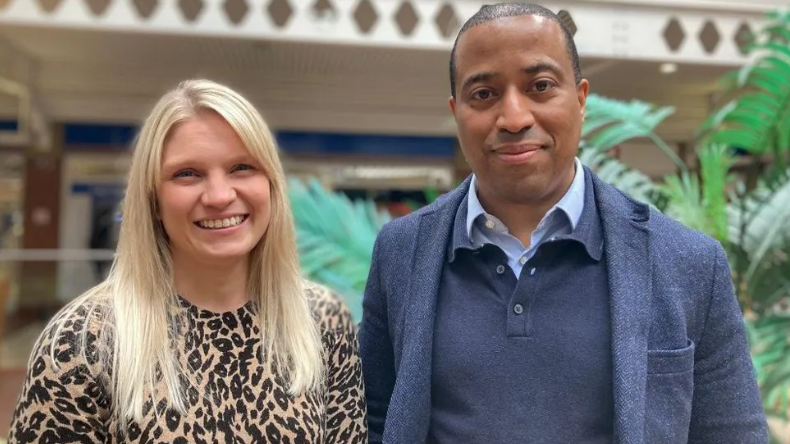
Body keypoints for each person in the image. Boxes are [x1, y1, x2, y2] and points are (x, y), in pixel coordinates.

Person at [358, 3, 768, 443]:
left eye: (540, 86)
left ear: (581, 99)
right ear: (457, 111)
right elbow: (376, 421)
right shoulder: (401, 251)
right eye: (484, 94)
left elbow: (732, 434)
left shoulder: (689, 263)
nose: (514, 118)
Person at [9, 79, 367, 443]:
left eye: (242, 167)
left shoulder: (322, 321)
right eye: (187, 174)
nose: (219, 196)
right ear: (153, 200)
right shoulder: (81, 341)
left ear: (272, 185)